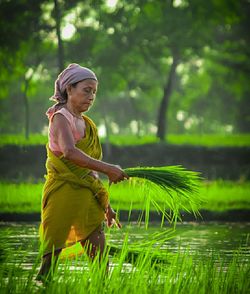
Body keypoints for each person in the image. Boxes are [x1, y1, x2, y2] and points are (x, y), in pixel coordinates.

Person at [37, 63, 128, 280]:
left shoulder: (87, 124)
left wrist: (107, 206)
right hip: (64, 195)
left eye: (94, 92)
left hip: (88, 199)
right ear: (69, 89)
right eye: (86, 90)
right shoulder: (60, 117)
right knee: (49, 264)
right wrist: (109, 169)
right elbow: (69, 152)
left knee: (101, 267)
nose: (91, 96)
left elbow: (89, 171)